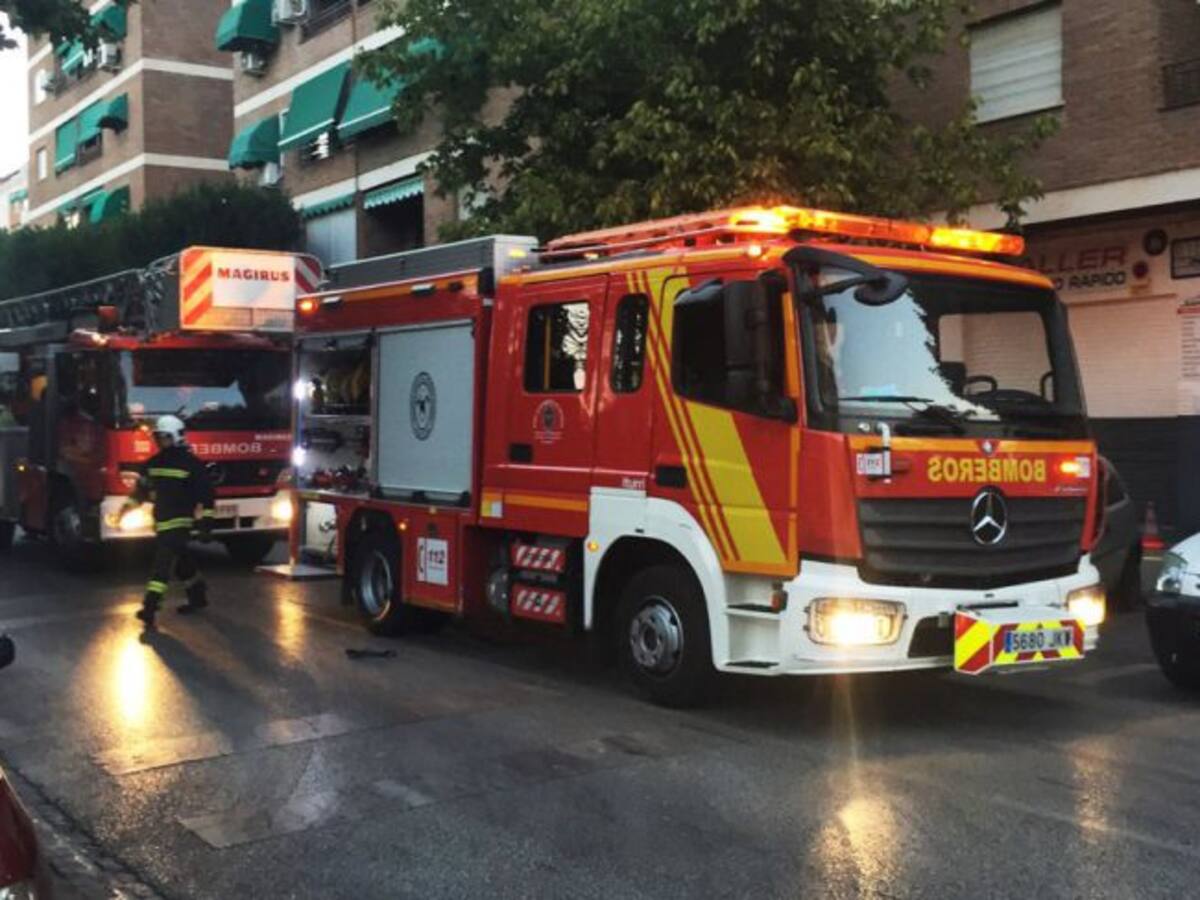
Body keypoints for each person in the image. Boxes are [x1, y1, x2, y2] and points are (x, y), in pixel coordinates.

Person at [117, 415, 215, 628]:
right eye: (159, 438)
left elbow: (207, 495)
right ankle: (198, 596)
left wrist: (207, 522)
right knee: (182, 562)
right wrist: (127, 507)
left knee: (161, 566)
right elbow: (141, 490)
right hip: (161, 522)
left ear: (178, 437)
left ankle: (150, 608)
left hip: (179, 523)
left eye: (166, 438)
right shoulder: (153, 464)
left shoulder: (192, 465)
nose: (162, 442)